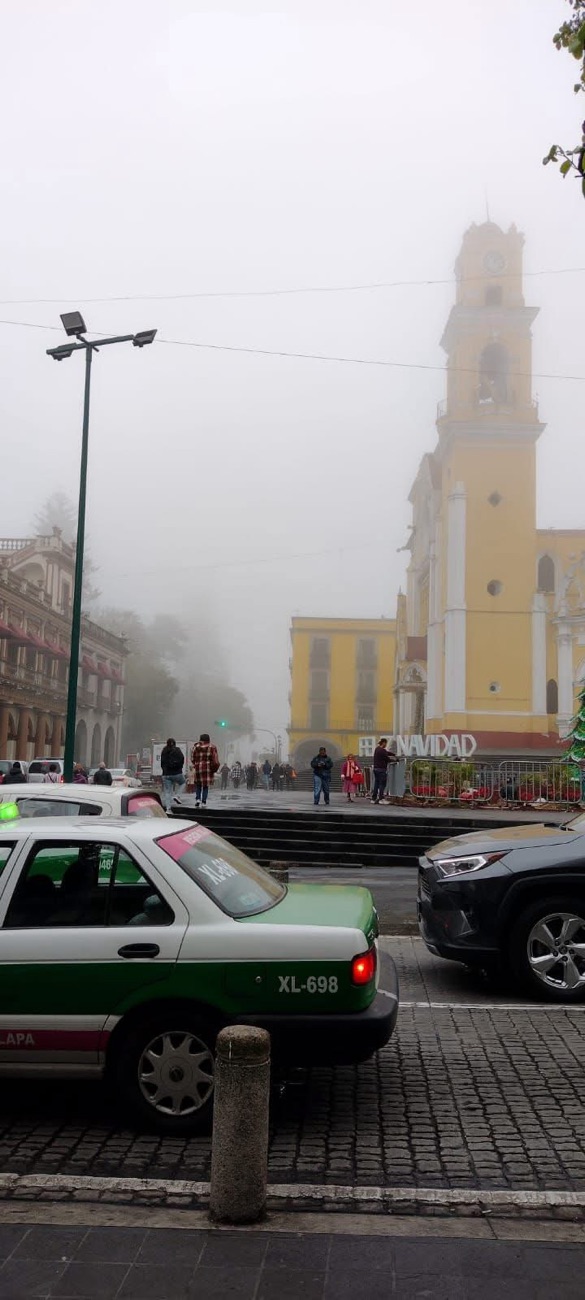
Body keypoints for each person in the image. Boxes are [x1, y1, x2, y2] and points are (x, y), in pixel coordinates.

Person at [191, 733, 220, 808]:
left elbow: (192, 758)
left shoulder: (195, 746)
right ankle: (203, 802)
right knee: (205, 786)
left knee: (198, 784)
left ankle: (197, 799)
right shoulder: (212, 747)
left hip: (198, 767)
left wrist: (196, 763)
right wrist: (215, 768)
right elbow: (215, 759)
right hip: (207, 768)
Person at [160, 737, 185, 811]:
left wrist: (164, 770)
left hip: (166, 774)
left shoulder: (164, 751)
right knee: (183, 783)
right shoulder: (177, 750)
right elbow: (182, 759)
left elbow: (162, 762)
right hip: (177, 773)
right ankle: (177, 796)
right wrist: (179, 768)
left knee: (167, 792)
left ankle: (168, 809)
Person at [371, 738, 397, 805]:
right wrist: (395, 760)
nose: (386, 745)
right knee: (382, 784)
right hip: (381, 769)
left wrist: (393, 754)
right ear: (384, 743)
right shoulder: (382, 751)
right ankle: (381, 799)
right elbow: (387, 759)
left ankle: (373, 799)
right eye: (386, 743)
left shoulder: (377, 749)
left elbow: (386, 753)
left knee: (376, 784)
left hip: (376, 769)